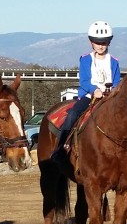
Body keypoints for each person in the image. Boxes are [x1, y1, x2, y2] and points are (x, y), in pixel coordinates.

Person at [49, 21, 121, 168]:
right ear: (91, 43)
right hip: (89, 96)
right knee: (72, 115)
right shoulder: (85, 59)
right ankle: (61, 149)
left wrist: (113, 91)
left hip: (110, 99)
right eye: (97, 42)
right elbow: (84, 80)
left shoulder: (114, 62)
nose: (101, 46)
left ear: (109, 42)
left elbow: (117, 81)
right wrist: (95, 90)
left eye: (104, 42)